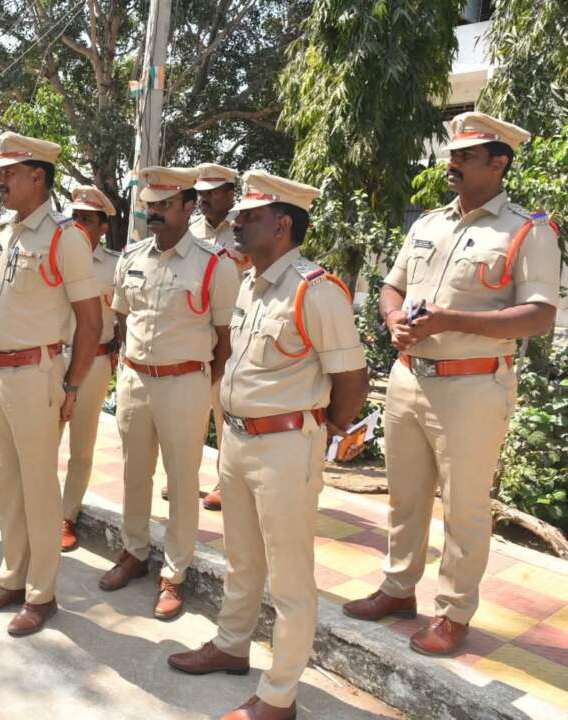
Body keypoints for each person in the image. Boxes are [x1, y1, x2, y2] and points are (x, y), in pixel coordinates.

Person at [342, 112, 560, 656]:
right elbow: (392, 286)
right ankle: (398, 588)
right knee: (404, 496)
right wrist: (392, 318)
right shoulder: (428, 224)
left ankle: (454, 612)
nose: (452, 162)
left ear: (499, 162)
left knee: (464, 506)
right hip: (408, 378)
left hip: (473, 387)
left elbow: (539, 316)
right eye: (452, 154)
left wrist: (449, 321)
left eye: (467, 156)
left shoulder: (527, 230)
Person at [167, 171, 368, 720]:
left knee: (289, 577)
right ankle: (231, 646)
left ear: (282, 225)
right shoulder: (251, 283)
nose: (236, 222)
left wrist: (322, 429)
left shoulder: (314, 289)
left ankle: (279, 695)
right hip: (238, 440)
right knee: (242, 558)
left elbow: (352, 379)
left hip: (285, 446)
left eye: (249, 216)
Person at [0, 132, 101, 636]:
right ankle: (12, 578)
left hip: (36, 375)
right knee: (9, 482)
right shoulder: (9, 233)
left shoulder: (66, 237)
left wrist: (73, 385)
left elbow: (90, 321)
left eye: (9, 173)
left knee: (40, 488)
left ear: (38, 177)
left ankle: (42, 594)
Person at [100, 167, 239, 621]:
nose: (155, 212)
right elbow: (123, 320)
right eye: (150, 205)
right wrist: (134, 365)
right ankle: (134, 552)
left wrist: (203, 382)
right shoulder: (131, 257)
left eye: (165, 204)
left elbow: (225, 338)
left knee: (181, 482)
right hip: (136, 381)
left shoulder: (215, 264)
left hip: (185, 384)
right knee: (135, 474)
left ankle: (174, 574)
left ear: (188, 206)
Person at [60, 185, 121, 552]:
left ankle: (67, 515)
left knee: (81, 445)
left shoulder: (115, 266)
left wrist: (116, 355)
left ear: (103, 226)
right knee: (41, 439)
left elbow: (124, 316)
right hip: (52, 358)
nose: (78, 224)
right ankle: (37, 507)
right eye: (75, 217)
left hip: (94, 362)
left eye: (87, 219)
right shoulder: (55, 253)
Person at [191, 163, 246, 511]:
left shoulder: (246, 227)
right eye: (201, 193)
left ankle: (225, 482)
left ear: (230, 194)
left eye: (212, 193)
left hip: (234, 336)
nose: (204, 199)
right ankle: (186, 475)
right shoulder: (190, 231)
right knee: (191, 411)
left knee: (224, 411)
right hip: (195, 333)